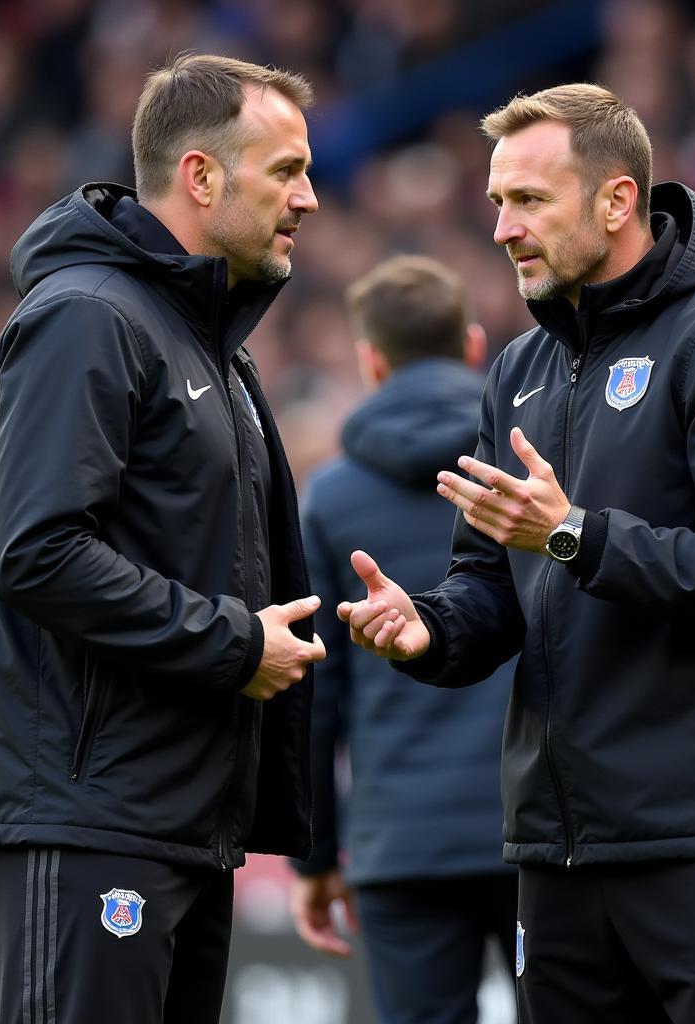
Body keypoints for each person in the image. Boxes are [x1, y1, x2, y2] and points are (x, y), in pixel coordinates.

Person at [340, 83, 695, 1024]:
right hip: (558, 851)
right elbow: (491, 589)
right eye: (496, 203)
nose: (501, 228)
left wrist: (573, 532)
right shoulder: (518, 370)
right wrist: (425, 631)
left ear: (616, 201)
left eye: (529, 201)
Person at [0, 53, 326, 1024]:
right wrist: (236, 644)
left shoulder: (202, 344)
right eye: (285, 170)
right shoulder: (87, 319)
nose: (310, 198)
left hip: (175, 818)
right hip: (85, 814)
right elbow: (34, 549)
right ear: (201, 176)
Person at [289, 255, 518, 1024]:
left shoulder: (329, 497)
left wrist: (316, 858)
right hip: (538, 824)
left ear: (371, 361)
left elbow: (313, 690)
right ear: (476, 346)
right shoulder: (530, 482)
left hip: (401, 842)